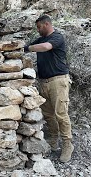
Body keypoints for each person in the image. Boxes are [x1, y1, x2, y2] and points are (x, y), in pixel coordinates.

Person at [24, 15, 74, 163]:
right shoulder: (40, 39)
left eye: (39, 27)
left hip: (58, 81)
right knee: (48, 114)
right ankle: (53, 140)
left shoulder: (57, 37)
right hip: (44, 82)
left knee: (61, 114)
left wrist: (29, 48)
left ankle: (67, 145)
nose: (38, 30)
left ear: (46, 24)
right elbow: (27, 47)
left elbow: (45, 48)